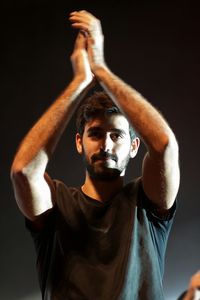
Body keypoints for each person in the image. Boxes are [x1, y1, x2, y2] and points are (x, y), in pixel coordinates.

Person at [10, 10, 180, 300]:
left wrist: (100, 69)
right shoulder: (57, 203)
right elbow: (24, 171)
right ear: (79, 142)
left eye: (117, 135)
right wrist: (79, 82)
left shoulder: (147, 205)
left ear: (134, 147)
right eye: (95, 134)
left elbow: (164, 145)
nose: (106, 144)